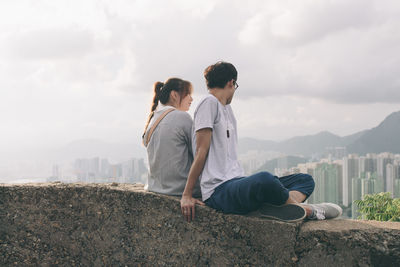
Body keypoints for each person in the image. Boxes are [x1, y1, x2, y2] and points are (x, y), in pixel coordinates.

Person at [180, 61, 342, 222]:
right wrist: (187, 195)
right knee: (265, 179)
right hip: (218, 191)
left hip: (236, 183)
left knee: (305, 180)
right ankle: (308, 211)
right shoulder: (208, 103)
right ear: (231, 82)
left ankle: (281, 208)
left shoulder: (227, 110)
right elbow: (202, 151)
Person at [143, 77, 201, 198]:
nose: (191, 98)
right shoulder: (182, 117)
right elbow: (199, 152)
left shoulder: (152, 120)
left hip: (155, 188)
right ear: (174, 94)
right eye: (188, 94)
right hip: (181, 190)